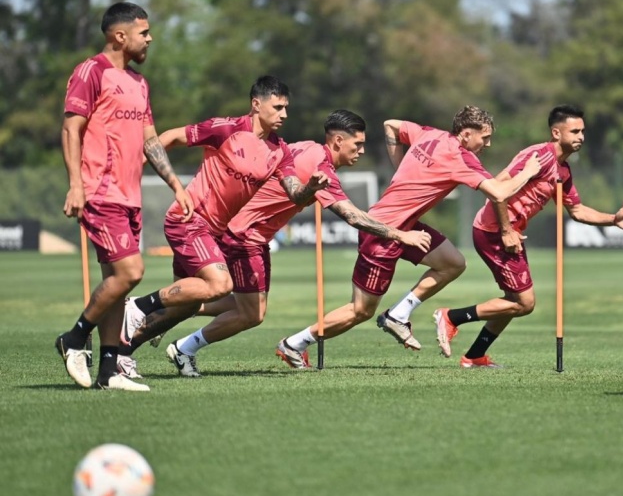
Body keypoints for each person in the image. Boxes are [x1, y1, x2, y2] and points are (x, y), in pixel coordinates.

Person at [123, 110, 431, 376]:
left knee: (240, 306)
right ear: (338, 141)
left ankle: (172, 318)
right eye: (358, 144)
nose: (361, 151)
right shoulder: (320, 167)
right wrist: (400, 235)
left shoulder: (305, 148)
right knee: (250, 314)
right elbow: (352, 216)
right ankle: (178, 341)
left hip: (247, 235)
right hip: (244, 237)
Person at [275, 105, 542, 367]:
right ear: (466, 133)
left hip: (405, 225)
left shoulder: (429, 134)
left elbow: (390, 125)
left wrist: (400, 168)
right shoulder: (461, 157)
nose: (489, 144)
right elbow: (498, 193)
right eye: (485, 137)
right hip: (382, 232)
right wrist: (528, 173)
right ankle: (294, 344)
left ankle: (398, 314)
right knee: (360, 310)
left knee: (453, 263)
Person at [114, 76, 328, 377]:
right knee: (221, 286)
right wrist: (135, 169)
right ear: (256, 104)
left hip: (211, 232)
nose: (284, 115)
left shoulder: (280, 151)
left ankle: (121, 354)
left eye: (286, 108)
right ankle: (137, 306)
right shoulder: (225, 128)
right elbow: (169, 138)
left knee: (185, 305)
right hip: (188, 220)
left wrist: (311, 189)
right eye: (278, 107)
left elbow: (294, 192)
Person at [433, 105, 623, 367]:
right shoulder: (538, 156)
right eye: (575, 131)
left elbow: (577, 211)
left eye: (583, 131)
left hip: (509, 233)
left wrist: (613, 220)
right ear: (556, 133)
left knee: (513, 300)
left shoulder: (564, 170)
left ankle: (475, 356)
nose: (581, 136)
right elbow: (497, 189)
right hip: (494, 232)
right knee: (524, 303)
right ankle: (451, 317)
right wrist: (506, 230)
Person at [55, 2, 193, 392]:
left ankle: (108, 372)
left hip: (129, 196)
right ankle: (75, 337)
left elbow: (151, 141)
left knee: (118, 282)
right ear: (120, 36)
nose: (150, 38)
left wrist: (176, 185)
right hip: (99, 191)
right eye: (144, 32)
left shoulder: (139, 83)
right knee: (131, 272)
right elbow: (71, 129)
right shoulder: (91, 71)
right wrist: (76, 184)